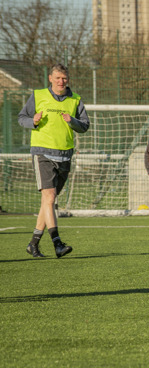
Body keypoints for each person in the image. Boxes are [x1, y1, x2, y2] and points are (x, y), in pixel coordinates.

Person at [17, 63, 90, 258]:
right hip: (43, 153)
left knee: (48, 201)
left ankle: (33, 243)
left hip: (65, 154)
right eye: (57, 78)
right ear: (50, 78)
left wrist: (72, 121)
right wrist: (33, 121)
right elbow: (21, 117)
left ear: (68, 79)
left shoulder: (76, 100)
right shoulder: (38, 95)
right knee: (49, 198)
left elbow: (84, 126)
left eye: (64, 78)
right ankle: (57, 243)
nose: (61, 81)